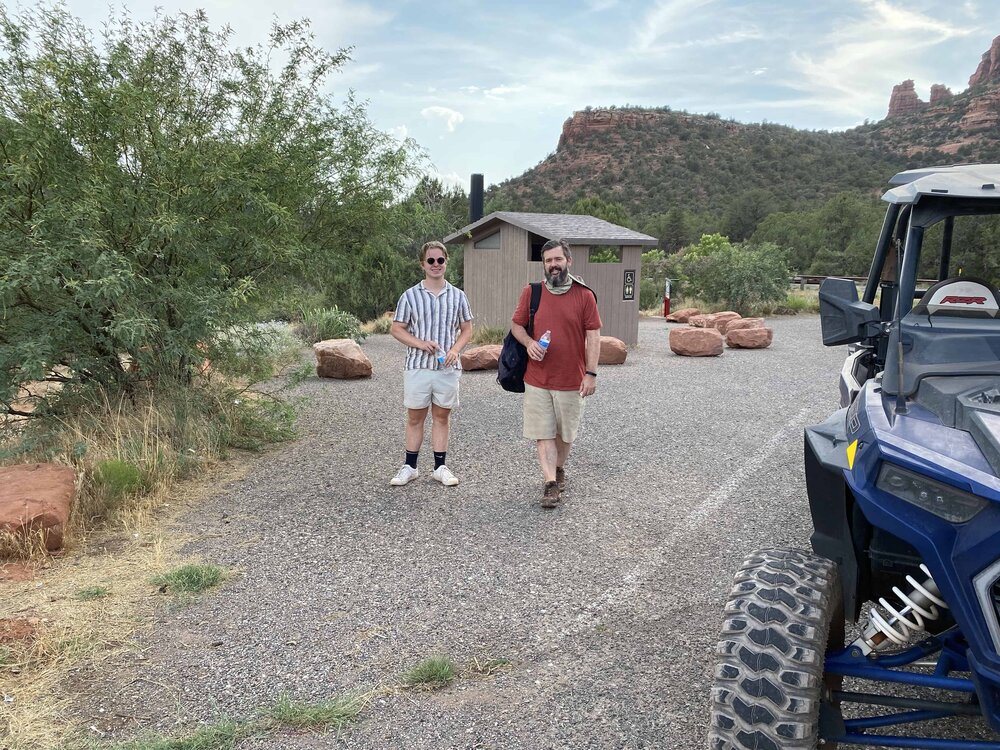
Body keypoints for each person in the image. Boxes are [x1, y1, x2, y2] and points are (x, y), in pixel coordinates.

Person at [510, 238, 601, 508]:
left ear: (568, 261)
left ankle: (559, 468)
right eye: (548, 261)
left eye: (558, 259)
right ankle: (550, 482)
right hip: (537, 378)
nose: (553, 265)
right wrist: (529, 344)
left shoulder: (584, 296)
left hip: (571, 379)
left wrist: (591, 373)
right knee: (543, 433)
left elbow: (594, 336)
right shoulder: (532, 292)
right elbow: (517, 326)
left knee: (565, 434)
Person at [389, 240, 474, 487]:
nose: (436, 265)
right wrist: (419, 343)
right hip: (418, 366)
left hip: (446, 368)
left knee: (441, 416)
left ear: (446, 262)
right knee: (415, 417)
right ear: (422, 264)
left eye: (440, 260)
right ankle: (410, 466)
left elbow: (467, 329)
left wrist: (456, 350)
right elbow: (396, 328)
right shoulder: (410, 296)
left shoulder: (458, 296)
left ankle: (440, 467)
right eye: (431, 261)